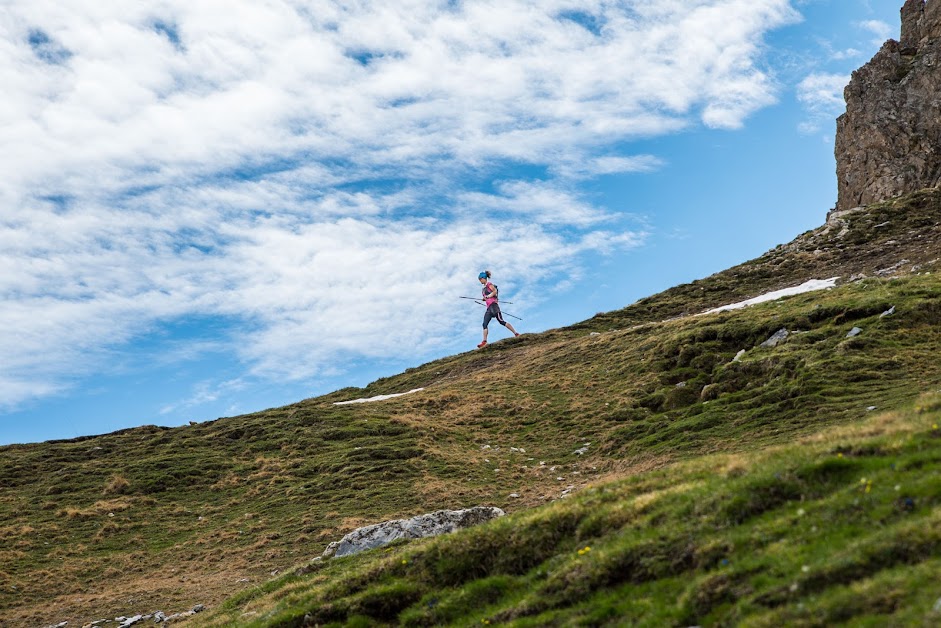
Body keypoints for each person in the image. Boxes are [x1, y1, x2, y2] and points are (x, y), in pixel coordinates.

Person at [477, 270, 520, 348]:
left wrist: (488, 296)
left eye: (480, 279)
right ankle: (484, 341)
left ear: (484, 278)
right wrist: (485, 299)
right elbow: (488, 296)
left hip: (494, 306)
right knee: (484, 324)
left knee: (501, 321)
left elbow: (494, 291)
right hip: (489, 308)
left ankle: (516, 333)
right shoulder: (483, 289)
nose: (480, 281)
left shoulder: (489, 284)